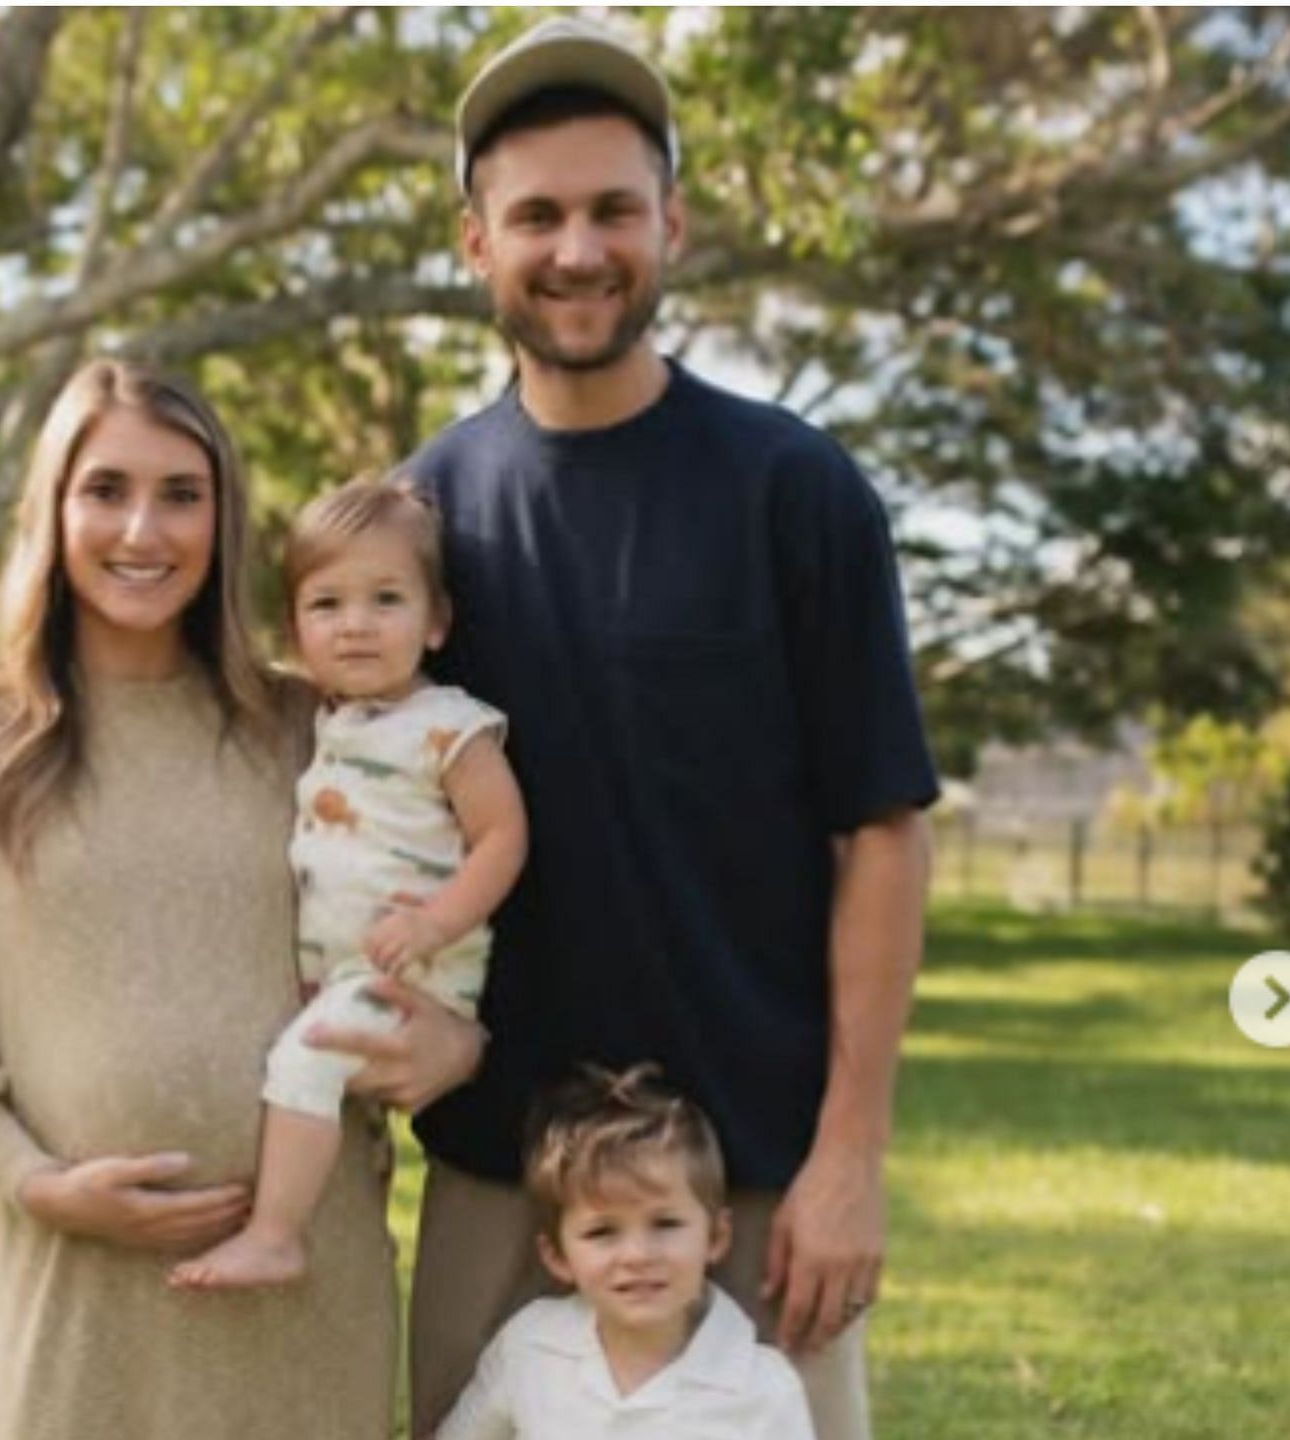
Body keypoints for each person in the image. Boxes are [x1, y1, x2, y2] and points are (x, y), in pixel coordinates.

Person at [340, 17, 940, 1440]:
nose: (578, 248)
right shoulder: (421, 525)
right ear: (475, 241)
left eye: (615, 209)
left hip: (744, 1188)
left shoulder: (797, 493)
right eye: (536, 214)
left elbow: (883, 831)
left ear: (671, 222)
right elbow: (360, 819)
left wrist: (850, 1154)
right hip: (500, 1188)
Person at [0, 360, 396, 1439]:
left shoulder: (313, 730)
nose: (143, 529)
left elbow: (419, 949)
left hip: (309, 1293)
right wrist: (36, 1184)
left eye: (182, 495)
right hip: (78, 1303)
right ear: (52, 509)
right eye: (105, 489)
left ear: (224, 520)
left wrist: (437, 1049)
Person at [172, 477, 528, 1291]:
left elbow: (504, 838)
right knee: (308, 1064)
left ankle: (275, 1233)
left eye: (386, 599)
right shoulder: (326, 720)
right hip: (347, 969)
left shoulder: (451, 724)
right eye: (326, 604)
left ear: (436, 621)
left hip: (416, 970)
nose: (356, 624)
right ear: (295, 628)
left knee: (306, 1061)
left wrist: (438, 924)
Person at [432, 1065, 815, 1440]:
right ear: (557, 1257)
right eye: (602, 1232)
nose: (637, 1255)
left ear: (715, 1236)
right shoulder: (529, 1347)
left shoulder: (764, 1390)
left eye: (665, 1225)